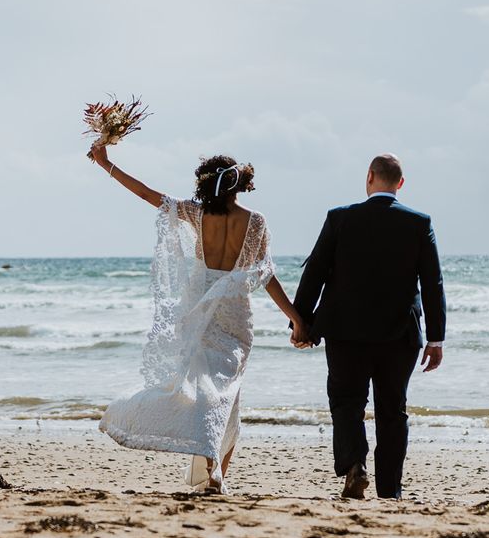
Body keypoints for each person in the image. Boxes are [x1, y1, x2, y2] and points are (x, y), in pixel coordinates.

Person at [88, 144, 307, 493]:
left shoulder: (195, 213)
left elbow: (146, 194)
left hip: (199, 306)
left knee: (207, 389)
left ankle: (213, 470)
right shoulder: (256, 222)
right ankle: (214, 469)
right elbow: (266, 276)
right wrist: (296, 319)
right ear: (239, 183)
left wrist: (106, 164)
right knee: (228, 392)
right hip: (235, 312)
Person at [291, 153, 446, 500]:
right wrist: (436, 338)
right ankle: (390, 489)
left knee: (347, 403)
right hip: (400, 336)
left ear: (370, 176)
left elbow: (314, 272)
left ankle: (354, 466)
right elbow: (432, 282)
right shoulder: (419, 223)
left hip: (346, 333)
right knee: (393, 410)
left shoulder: (340, 219)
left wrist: (300, 321)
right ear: (400, 184)